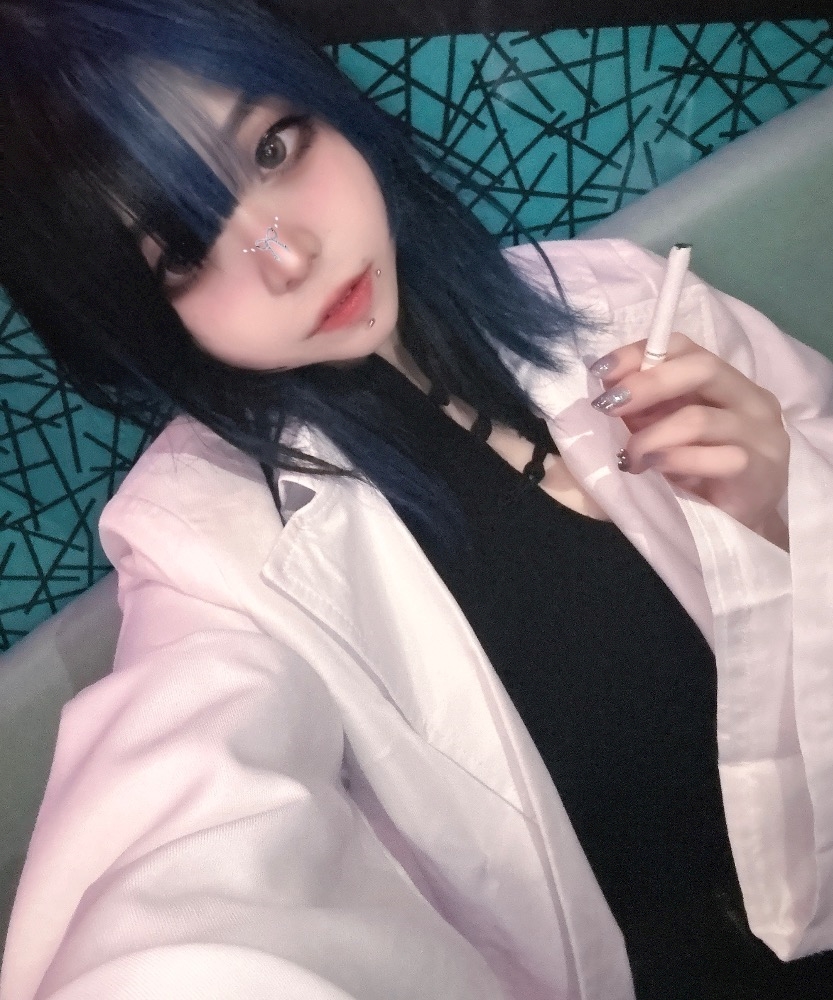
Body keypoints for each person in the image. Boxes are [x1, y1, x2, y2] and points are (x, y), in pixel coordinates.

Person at [1, 1, 832, 998]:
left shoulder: (624, 301)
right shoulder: (203, 547)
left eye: (272, 149)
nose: (289, 257)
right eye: (185, 250)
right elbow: (184, 865)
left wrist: (786, 498)